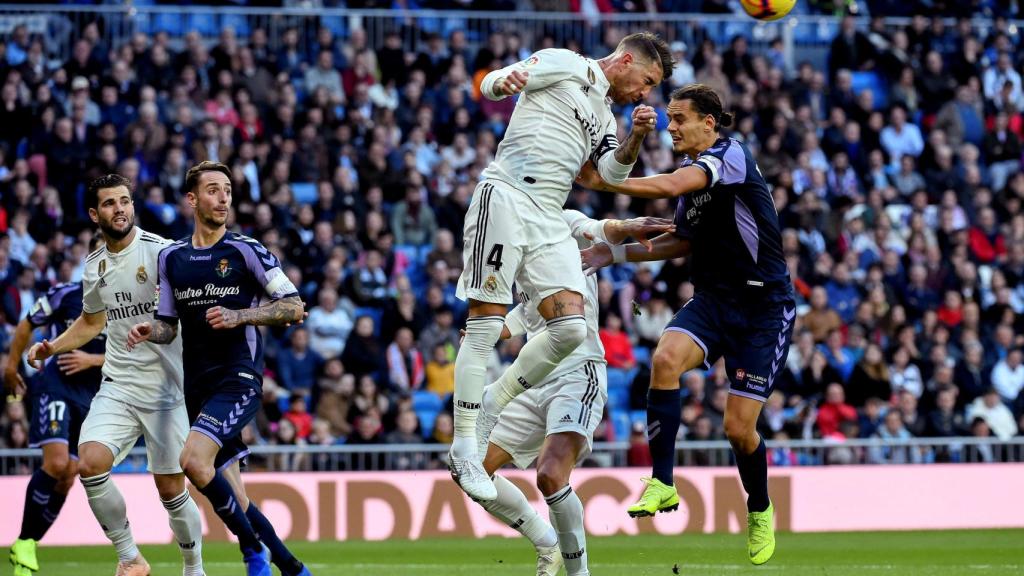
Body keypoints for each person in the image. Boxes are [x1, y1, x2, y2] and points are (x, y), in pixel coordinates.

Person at [451, 31, 674, 502]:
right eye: (647, 81)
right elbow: (493, 83)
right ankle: (464, 445)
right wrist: (502, 81)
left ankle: (494, 400)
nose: (645, 92)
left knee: (571, 328)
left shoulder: (604, 113)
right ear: (627, 60)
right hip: (509, 194)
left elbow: (610, 176)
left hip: (550, 214)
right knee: (485, 323)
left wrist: (635, 136)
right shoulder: (565, 64)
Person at [578, 84, 794, 565]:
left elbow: (674, 185)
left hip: (763, 310)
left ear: (709, 123)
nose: (670, 127)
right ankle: (662, 481)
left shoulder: (730, 155)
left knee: (738, 431)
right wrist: (611, 253)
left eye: (679, 119)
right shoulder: (691, 183)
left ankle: (759, 508)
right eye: (669, 118)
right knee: (665, 358)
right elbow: (683, 241)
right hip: (715, 300)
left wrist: (606, 182)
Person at [126, 162, 310, 576]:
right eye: (213, 190)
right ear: (192, 199)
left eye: (227, 189)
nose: (223, 197)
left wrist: (240, 316)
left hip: (239, 377)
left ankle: (251, 550)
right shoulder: (172, 257)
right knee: (237, 496)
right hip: (198, 387)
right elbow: (168, 325)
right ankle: (293, 567)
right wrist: (147, 329)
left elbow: (295, 306)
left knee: (191, 461)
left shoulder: (247, 250)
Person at [465, 210, 671, 576]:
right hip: (533, 377)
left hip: (579, 371)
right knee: (472, 471)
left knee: (550, 475)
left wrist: (624, 227)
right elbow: (528, 309)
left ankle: (579, 573)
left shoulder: (562, 218)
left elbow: (598, 230)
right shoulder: (515, 239)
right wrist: (500, 330)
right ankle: (547, 543)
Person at [26, 175, 205, 576]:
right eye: (109, 203)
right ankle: (130, 558)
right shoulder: (94, 267)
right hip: (119, 384)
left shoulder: (161, 253)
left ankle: (194, 568)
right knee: (89, 462)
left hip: (166, 391)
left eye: (125, 201)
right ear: (95, 214)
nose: (120, 209)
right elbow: (92, 322)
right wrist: (52, 346)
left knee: (171, 490)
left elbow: (191, 306)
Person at [6, 271, 105, 576]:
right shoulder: (65, 294)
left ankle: (28, 543)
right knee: (58, 462)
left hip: (92, 398)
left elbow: (139, 350)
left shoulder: (124, 301)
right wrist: (12, 366)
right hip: (57, 387)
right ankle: (24, 544)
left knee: (69, 474)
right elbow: (27, 323)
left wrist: (92, 360)